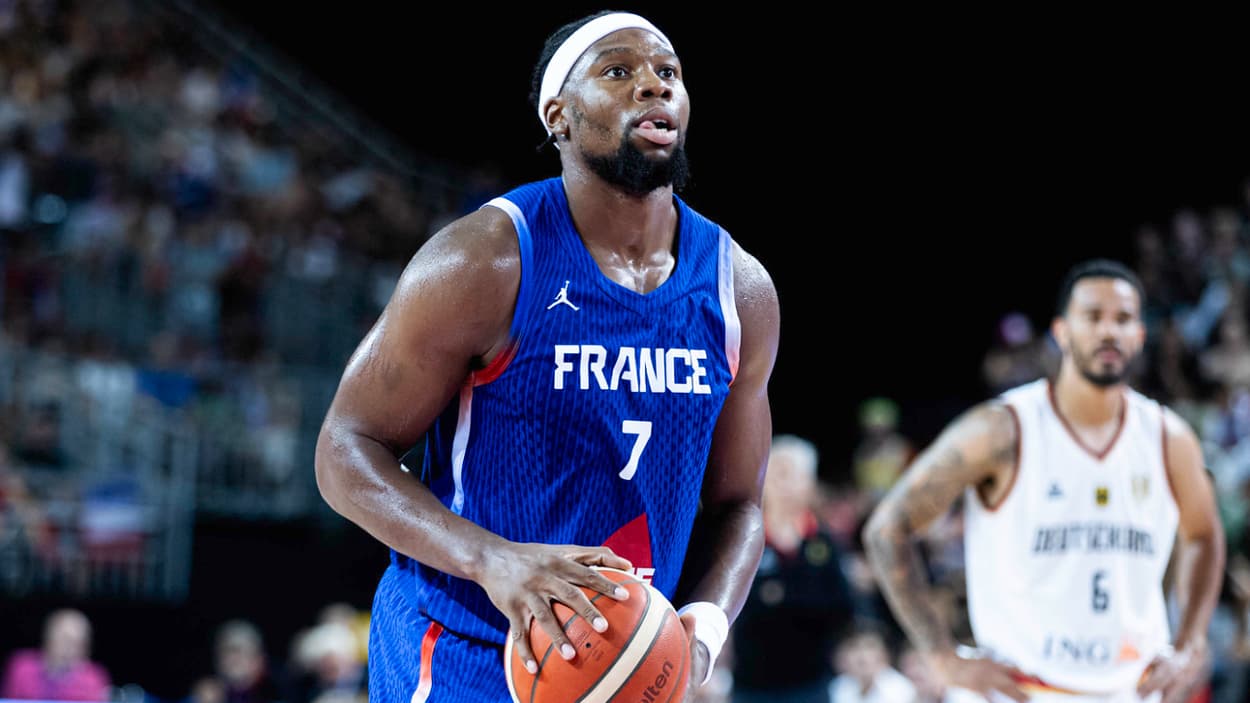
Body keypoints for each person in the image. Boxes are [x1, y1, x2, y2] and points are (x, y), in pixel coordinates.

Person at [313, 10, 780, 703]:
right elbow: (344, 450)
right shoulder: (485, 260)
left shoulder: (738, 289)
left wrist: (702, 631)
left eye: (668, 73)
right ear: (559, 116)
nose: (654, 85)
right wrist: (492, 560)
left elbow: (739, 504)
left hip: (623, 666)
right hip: (463, 653)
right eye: (619, 71)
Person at [862, 259, 1225, 703]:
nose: (1108, 331)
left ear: (1139, 335)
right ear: (1061, 332)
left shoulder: (1169, 438)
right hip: (1021, 690)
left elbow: (1203, 534)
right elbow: (887, 527)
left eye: (1123, 319)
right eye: (1093, 316)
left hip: (1132, 689)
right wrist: (940, 655)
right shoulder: (1002, 430)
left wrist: (1191, 640)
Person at [729, 434, 858, 702]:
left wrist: (778, 596)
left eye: (789, 474)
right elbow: (736, 606)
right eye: (774, 473)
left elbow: (842, 607)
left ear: (809, 484)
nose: (781, 483)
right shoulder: (746, 540)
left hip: (812, 683)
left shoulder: (825, 542)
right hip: (752, 685)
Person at [0, 608, 111, 701]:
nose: (70, 648)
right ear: (48, 637)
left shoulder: (94, 677)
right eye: (65, 639)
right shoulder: (21, 667)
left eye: (78, 642)